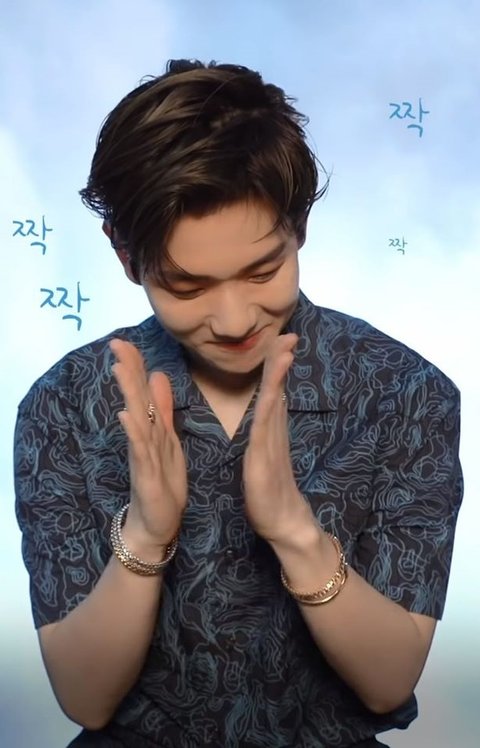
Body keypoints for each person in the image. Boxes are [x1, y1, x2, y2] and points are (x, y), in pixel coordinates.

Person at [14, 59, 463, 748]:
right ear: (126, 255)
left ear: (299, 225)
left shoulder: (403, 393)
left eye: (263, 270)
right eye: (187, 286)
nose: (233, 320)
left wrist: (295, 533)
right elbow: (86, 700)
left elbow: (388, 680)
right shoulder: (65, 405)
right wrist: (146, 537)